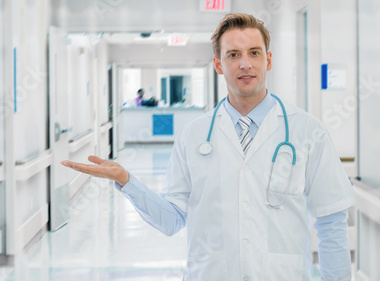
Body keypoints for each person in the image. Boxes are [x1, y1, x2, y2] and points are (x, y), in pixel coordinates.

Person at [62, 13, 355, 281]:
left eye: (254, 53)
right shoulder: (194, 135)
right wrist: (128, 182)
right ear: (218, 64)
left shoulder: (307, 131)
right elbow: (172, 220)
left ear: (267, 60)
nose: (245, 63)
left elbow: (331, 223)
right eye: (233, 55)